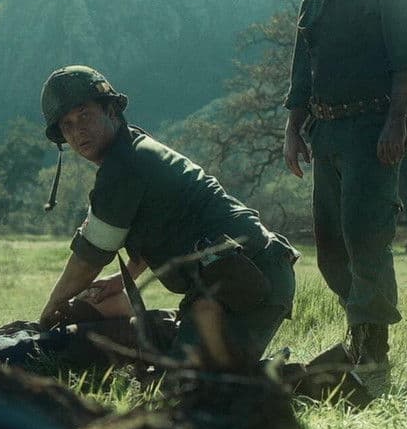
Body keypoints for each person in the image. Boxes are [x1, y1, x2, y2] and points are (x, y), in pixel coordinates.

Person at [37, 65, 299, 368]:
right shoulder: (132, 150)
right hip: (235, 279)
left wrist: (49, 312)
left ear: (110, 110)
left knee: (188, 386)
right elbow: (163, 224)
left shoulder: (124, 166)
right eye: (67, 125)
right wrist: (124, 278)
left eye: (84, 115)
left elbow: (89, 259)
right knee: (176, 373)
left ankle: (313, 380)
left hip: (251, 278)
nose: (77, 131)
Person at [282, 0, 407, 390]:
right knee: (331, 248)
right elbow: (302, 68)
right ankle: (358, 334)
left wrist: (396, 123)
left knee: (367, 239)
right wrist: (293, 129)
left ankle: (373, 355)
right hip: (326, 131)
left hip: (373, 129)